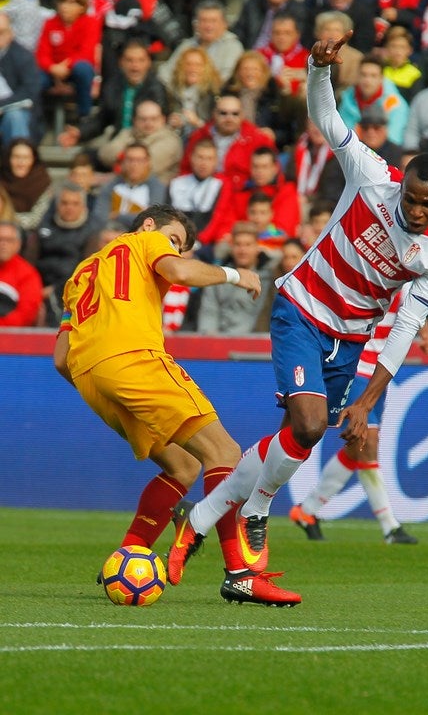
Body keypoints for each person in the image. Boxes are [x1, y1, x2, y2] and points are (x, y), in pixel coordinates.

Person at [166, 31, 428, 585]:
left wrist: (368, 402)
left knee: (294, 439)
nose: (416, 211)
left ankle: (199, 517)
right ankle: (256, 510)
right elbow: (329, 122)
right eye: (411, 200)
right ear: (401, 187)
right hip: (302, 306)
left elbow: (405, 326)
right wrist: (319, 71)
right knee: (309, 424)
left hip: (351, 336)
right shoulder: (373, 177)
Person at [54, 203, 300, 606]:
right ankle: (240, 573)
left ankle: (127, 554)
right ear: (149, 225)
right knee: (224, 452)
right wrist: (237, 275)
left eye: (181, 246)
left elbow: (61, 358)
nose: (175, 250)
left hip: (91, 379)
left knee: (183, 466)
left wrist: (100, 381)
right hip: (134, 359)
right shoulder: (146, 240)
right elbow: (181, 273)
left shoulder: (82, 271)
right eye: (175, 240)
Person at [289, 291, 428, 543]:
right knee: (367, 443)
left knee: (359, 447)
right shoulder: (370, 270)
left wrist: (425, 332)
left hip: (380, 373)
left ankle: (307, 510)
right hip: (356, 368)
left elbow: (416, 302)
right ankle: (390, 527)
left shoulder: (407, 274)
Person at [58, 39, 169, 151]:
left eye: (141, 60)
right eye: (129, 60)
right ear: (121, 62)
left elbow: (158, 125)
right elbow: (102, 119)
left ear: (149, 63)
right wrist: (80, 132)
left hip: (147, 145)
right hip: (118, 142)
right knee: (86, 156)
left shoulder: (156, 90)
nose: (135, 66)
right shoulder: (112, 86)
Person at [27, 181, 102, 327]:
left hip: (71, 290)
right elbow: (28, 262)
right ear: (57, 204)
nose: (69, 208)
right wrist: (34, 289)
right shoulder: (43, 225)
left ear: (83, 206)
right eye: (64, 203)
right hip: (37, 287)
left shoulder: (93, 231)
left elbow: (86, 270)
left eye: (75, 203)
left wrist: (54, 290)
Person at [179, 92, 276, 193]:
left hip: (243, 196)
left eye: (235, 114)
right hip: (202, 195)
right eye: (223, 113)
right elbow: (185, 171)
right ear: (214, 114)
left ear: (242, 115)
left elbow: (273, 177)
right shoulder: (199, 136)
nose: (229, 118)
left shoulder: (258, 139)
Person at [196, 221, 274, 334]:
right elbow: (209, 311)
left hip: (256, 344)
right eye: (238, 244)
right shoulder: (219, 276)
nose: (242, 250)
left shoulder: (269, 279)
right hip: (219, 341)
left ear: (257, 247)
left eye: (248, 245)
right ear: (231, 247)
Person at [36, 0, 101, 119]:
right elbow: (42, 53)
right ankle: (37, 118)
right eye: (62, 2)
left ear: (82, 7)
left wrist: (65, 66)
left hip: (74, 68)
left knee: (83, 69)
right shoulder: (50, 24)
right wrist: (52, 68)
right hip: (52, 70)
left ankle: (84, 115)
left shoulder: (90, 23)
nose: (65, 7)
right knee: (35, 79)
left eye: (71, 3)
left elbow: (86, 52)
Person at [157, 0, 244, 87]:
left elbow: (225, 78)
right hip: (182, 95)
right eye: (204, 20)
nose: (208, 26)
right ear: (196, 24)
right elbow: (165, 73)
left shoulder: (233, 46)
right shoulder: (187, 45)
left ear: (224, 24)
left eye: (213, 21)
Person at [97, 99, 183, 185]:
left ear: (163, 119)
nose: (148, 123)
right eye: (143, 119)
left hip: (155, 190)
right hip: (123, 185)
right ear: (135, 120)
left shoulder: (170, 140)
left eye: (154, 119)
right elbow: (104, 155)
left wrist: (120, 159)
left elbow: (142, 169)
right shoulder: (129, 133)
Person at [339, 54, 410, 146]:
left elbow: (394, 140)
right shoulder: (347, 99)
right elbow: (341, 136)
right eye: (363, 75)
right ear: (357, 76)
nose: (367, 80)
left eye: (373, 76)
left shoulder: (395, 103)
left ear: (381, 78)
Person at [94, 142, 166, 227]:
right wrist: (139, 213)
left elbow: (152, 218)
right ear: (123, 162)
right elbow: (99, 217)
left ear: (148, 162)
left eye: (139, 160)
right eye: (130, 160)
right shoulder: (111, 185)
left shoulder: (156, 187)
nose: (134, 165)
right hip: (111, 234)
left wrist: (117, 215)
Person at [0, 11, 42, 146]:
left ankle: (18, 160)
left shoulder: (23, 57)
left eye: (1, 32)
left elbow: (30, 92)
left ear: (11, 33)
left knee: (15, 116)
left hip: (15, 112)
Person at [165, 47, 221, 143]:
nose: (193, 68)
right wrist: (171, 124)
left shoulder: (213, 94)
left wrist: (197, 123)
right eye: (188, 64)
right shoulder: (171, 93)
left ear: (206, 68)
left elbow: (218, 130)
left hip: (204, 141)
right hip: (176, 140)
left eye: (198, 65)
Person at [1, 138, 53, 231]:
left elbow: (36, 220)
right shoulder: (1, 179)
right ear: (8, 159)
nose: (20, 163)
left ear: (33, 160)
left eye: (26, 157)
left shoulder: (42, 181)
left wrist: (7, 218)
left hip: (32, 236)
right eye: (16, 157)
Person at [0, 218, 42, 326]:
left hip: (10, 336)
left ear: (18, 244)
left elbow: (26, 314)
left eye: (9, 240)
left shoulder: (27, 274)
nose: (3, 244)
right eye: (0, 239)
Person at [381, 26, 423, 105]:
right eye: (393, 46)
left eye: (402, 47)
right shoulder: (380, 70)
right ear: (387, 48)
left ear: (410, 50)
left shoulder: (415, 74)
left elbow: (415, 103)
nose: (397, 51)